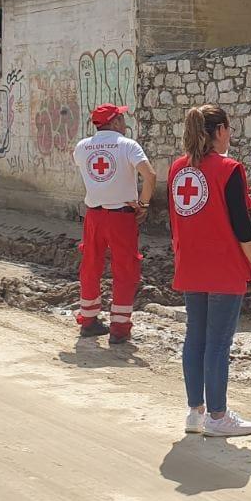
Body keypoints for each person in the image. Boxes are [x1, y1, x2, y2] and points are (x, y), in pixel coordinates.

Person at [168, 104, 251, 438]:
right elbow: (242, 226)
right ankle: (218, 416)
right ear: (220, 130)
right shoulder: (229, 169)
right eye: (230, 128)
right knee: (218, 344)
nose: (231, 136)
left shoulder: (178, 169)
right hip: (223, 267)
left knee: (194, 338)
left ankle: (195, 413)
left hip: (190, 264)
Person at [73, 103, 156, 345]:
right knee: (125, 270)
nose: (124, 120)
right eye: (121, 116)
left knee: (90, 266)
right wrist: (145, 204)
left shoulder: (82, 147)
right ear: (115, 121)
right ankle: (119, 328)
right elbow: (149, 176)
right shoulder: (128, 145)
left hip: (94, 216)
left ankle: (88, 321)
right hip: (121, 217)